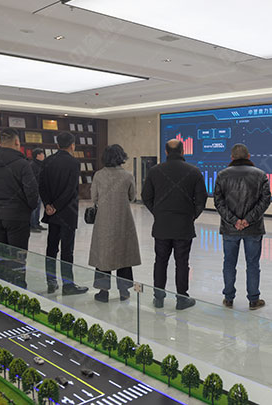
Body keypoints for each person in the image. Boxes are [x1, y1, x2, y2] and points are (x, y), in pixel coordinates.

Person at [141, 139, 208, 310]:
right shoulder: (194, 172)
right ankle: (181, 299)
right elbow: (201, 200)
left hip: (162, 226)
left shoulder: (154, 171)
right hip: (183, 226)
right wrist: (191, 216)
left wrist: (158, 213)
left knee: (160, 262)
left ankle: (158, 298)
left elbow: (146, 196)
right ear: (183, 151)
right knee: (182, 263)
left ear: (166, 152)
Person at [214, 144, 271, 310]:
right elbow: (265, 200)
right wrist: (248, 220)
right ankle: (253, 300)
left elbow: (218, 202)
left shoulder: (222, 175)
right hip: (253, 228)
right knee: (253, 264)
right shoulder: (260, 175)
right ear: (249, 156)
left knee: (229, 263)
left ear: (231, 158)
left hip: (230, 229)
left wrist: (234, 221)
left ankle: (228, 298)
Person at [88, 144, 141, 302]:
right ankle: (124, 291)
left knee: (103, 255)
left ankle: (103, 291)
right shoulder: (128, 176)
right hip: (123, 219)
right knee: (124, 254)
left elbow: (94, 198)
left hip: (103, 220)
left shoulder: (99, 175)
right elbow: (132, 197)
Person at [39, 132, 88, 295]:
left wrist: (48, 204)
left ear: (57, 145)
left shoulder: (47, 161)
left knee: (51, 248)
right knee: (67, 250)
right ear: (72, 145)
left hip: (51, 213)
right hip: (67, 212)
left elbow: (41, 185)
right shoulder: (74, 163)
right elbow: (70, 189)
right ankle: (68, 285)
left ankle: (51, 282)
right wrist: (57, 206)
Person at [0, 127, 38, 251]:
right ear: (17, 142)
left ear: (0, 143)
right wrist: (29, 207)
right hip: (18, 217)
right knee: (17, 257)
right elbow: (32, 191)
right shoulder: (23, 164)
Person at [30, 148, 46, 232]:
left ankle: (36, 223)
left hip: (40, 189)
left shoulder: (40, 164)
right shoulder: (33, 165)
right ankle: (32, 225)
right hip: (34, 190)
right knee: (34, 208)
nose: (43, 155)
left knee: (38, 207)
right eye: (42, 154)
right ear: (37, 156)